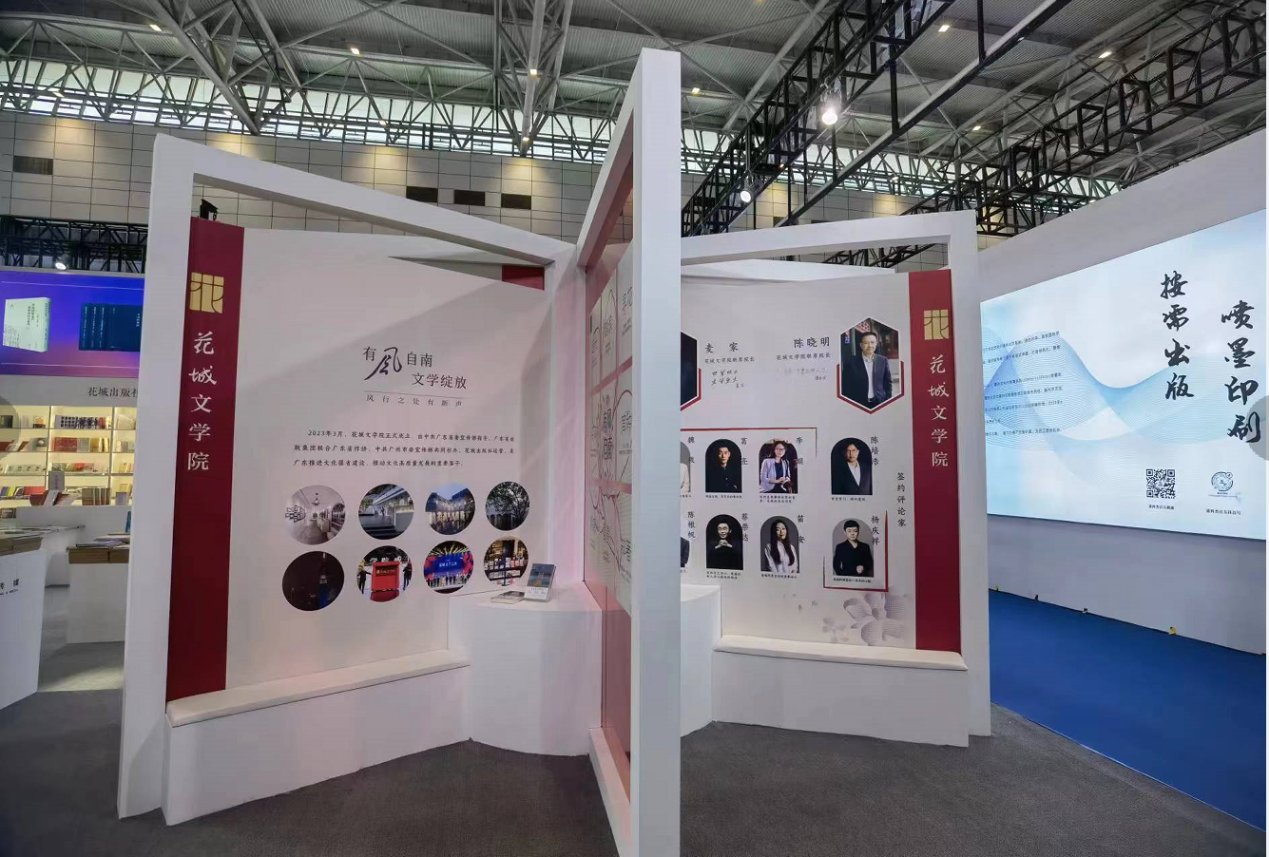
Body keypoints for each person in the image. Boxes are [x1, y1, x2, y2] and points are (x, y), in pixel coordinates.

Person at [842, 330, 892, 408]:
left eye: (872, 342)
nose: (870, 346)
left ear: (876, 344)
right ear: (861, 345)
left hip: (879, 402)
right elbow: (845, 384)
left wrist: (887, 399)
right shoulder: (851, 362)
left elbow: (887, 382)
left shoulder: (883, 360)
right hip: (858, 403)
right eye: (866, 343)